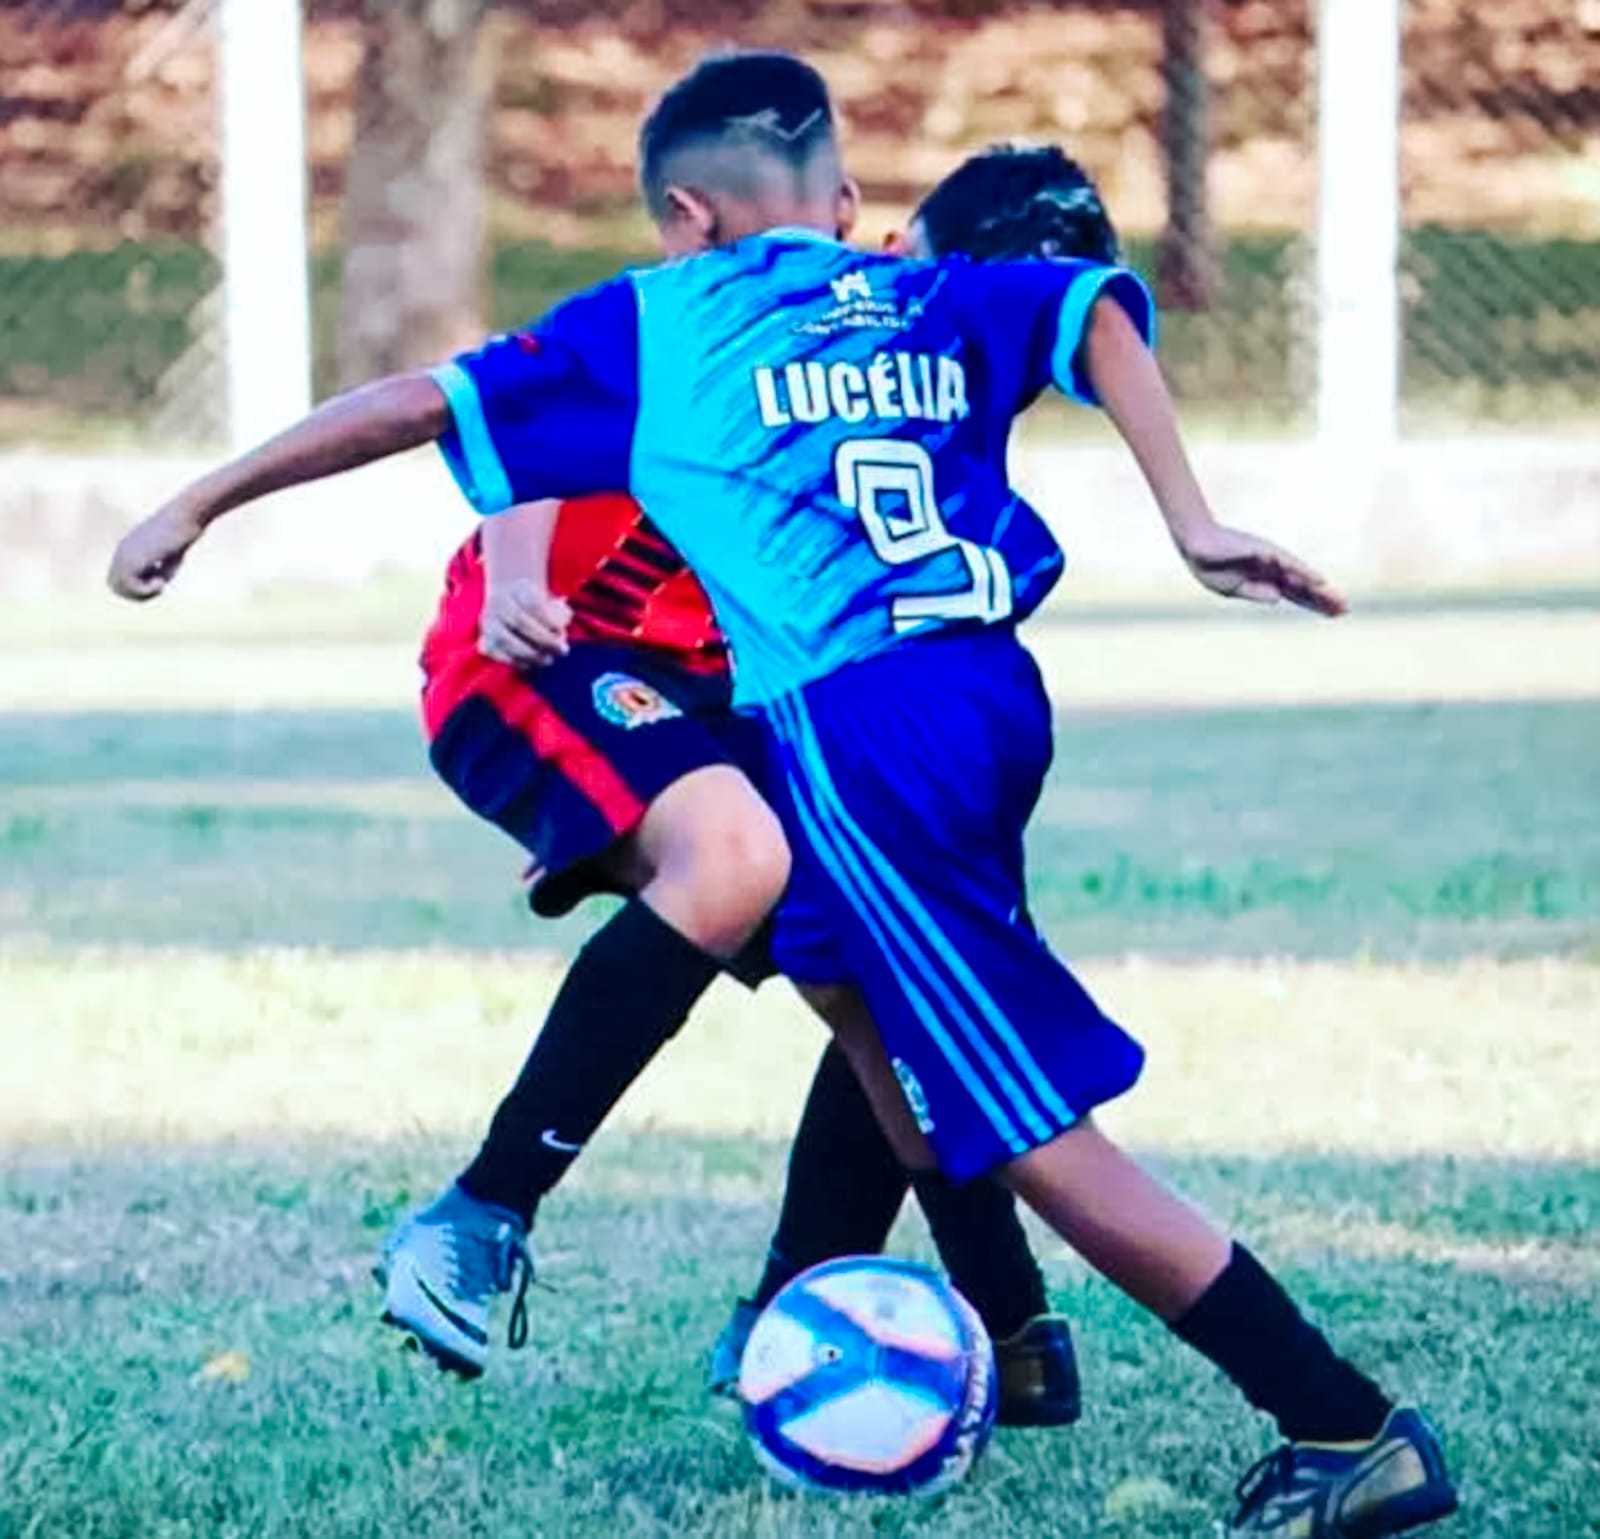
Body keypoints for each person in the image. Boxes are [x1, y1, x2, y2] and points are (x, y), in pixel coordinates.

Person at [106, 52, 1458, 1538]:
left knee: (1025, 1127)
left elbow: (415, 405)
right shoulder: (927, 294)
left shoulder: (668, 318)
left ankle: (1342, 1423)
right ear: (849, 200)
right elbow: (1091, 307)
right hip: (989, 702)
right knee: (852, 981)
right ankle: (946, 1324)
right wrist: (1191, 521)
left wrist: (195, 499)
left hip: (858, 727)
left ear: (685, 213)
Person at [379, 147, 1123, 1425]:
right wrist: (516, 580)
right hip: (552, 647)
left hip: (710, 708)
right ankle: (480, 1212)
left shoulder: (931, 398)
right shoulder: (758, 319)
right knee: (730, 862)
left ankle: (868, 1313)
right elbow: (522, 397)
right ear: (888, 245)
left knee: (890, 955)